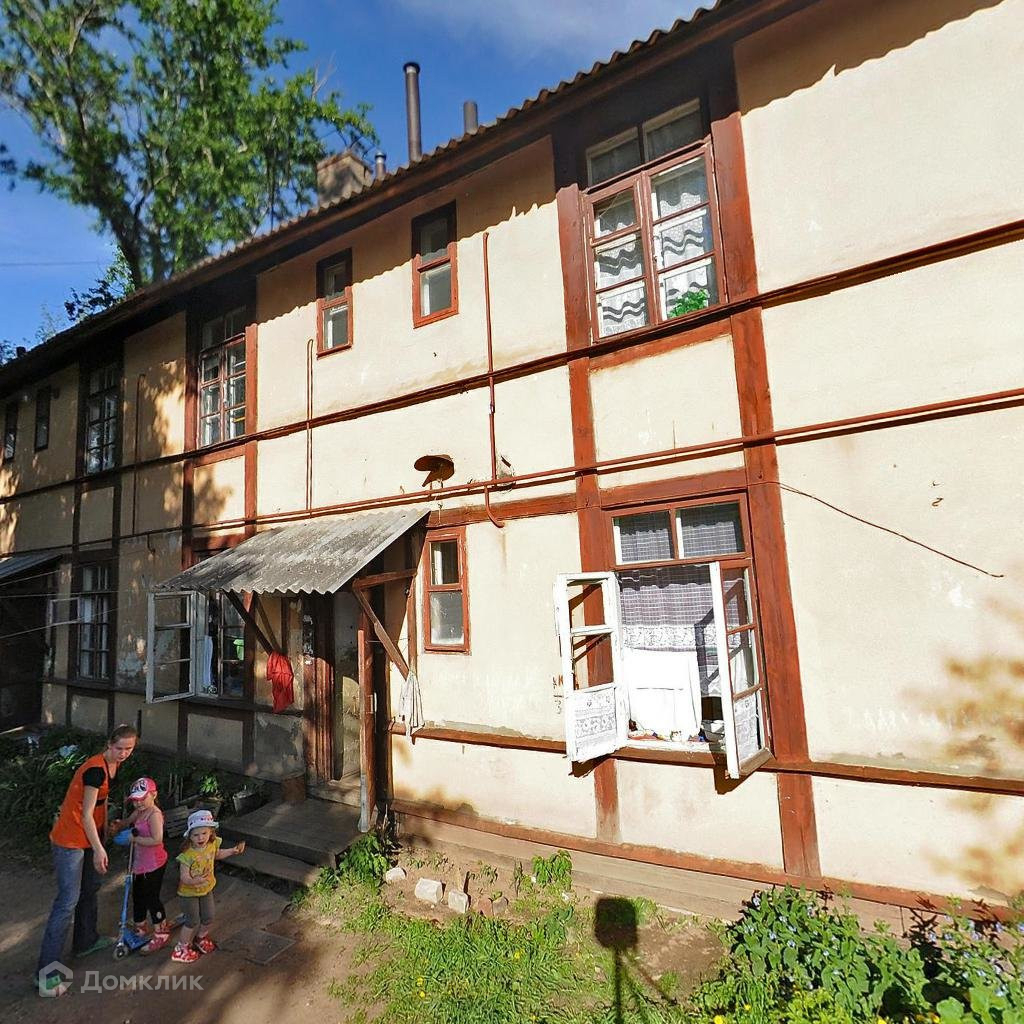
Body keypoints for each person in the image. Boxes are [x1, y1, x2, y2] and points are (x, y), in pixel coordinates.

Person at [36, 723, 138, 995]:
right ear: (109, 744)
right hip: (70, 840)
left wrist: (109, 829)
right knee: (67, 902)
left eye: (129, 749)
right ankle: (45, 974)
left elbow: (99, 808)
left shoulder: (113, 766)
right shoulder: (95, 770)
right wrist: (100, 848)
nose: (124, 753)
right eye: (120, 748)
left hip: (90, 837)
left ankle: (85, 941)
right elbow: (85, 815)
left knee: (90, 888)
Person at [170, 809, 245, 964]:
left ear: (211, 832)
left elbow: (216, 854)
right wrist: (194, 881)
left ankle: (200, 938)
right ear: (189, 836)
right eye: (196, 835)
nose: (200, 838)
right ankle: (181, 949)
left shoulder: (212, 845)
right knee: (191, 921)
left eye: (204, 833)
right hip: (188, 893)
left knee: (209, 916)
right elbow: (184, 877)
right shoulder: (187, 855)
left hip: (206, 889)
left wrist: (232, 851)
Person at [120, 776, 172, 954]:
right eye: (135, 800)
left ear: (154, 795)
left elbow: (157, 839)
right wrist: (121, 825)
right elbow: (129, 820)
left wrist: (135, 839)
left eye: (143, 798)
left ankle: (161, 931)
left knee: (152, 898)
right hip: (139, 864)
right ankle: (140, 926)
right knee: (138, 895)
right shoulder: (139, 811)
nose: (139, 803)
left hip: (154, 864)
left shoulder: (154, 814)